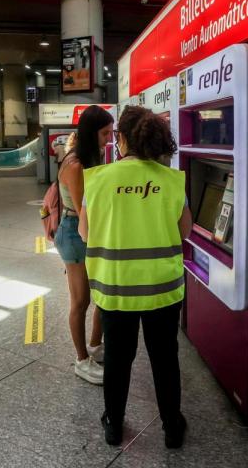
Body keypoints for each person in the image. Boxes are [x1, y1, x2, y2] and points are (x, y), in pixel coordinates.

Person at [79, 106, 192, 448]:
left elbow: (85, 233)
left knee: (117, 357)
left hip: (116, 288)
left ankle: (113, 423)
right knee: (164, 357)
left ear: (122, 139)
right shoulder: (172, 180)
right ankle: (172, 426)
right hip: (162, 288)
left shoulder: (98, 180)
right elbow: (184, 230)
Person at [56, 105, 114, 385]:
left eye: (111, 132)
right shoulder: (77, 165)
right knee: (81, 301)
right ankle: (82, 360)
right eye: (105, 133)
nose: (109, 138)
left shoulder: (90, 157)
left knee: (99, 295)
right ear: (92, 132)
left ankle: (95, 345)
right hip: (74, 234)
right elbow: (84, 214)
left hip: (83, 232)